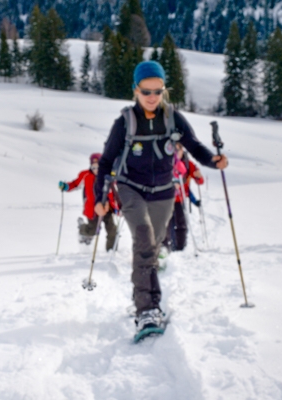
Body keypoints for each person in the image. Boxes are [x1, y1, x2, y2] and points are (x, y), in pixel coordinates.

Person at [93, 61, 229, 335]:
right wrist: (100, 196)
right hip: (131, 187)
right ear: (136, 90)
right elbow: (107, 160)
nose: (152, 97)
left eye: (157, 91)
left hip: (165, 192)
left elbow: (194, 146)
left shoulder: (173, 118)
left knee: (152, 247)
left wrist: (214, 161)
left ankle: (145, 299)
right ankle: (147, 310)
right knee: (143, 238)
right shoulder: (125, 122)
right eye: (146, 91)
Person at [59, 153, 118, 251]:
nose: (96, 170)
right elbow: (75, 184)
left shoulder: (107, 175)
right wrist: (66, 186)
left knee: (112, 230)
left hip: (107, 208)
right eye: (93, 167)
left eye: (98, 167)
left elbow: (115, 186)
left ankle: (111, 251)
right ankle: (81, 227)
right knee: (92, 231)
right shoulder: (85, 175)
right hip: (92, 209)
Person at [164, 143, 205, 252]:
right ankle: (165, 246)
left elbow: (200, 181)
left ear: (182, 150)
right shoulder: (166, 162)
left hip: (180, 199)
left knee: (181, 223)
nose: (176, 152)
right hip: (166, 198)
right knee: (165, 223)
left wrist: (198, 176)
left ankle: (180, 247)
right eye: (174, 150)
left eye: (178, 150)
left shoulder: (188, 164)